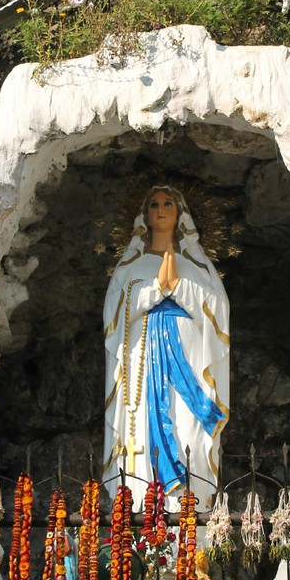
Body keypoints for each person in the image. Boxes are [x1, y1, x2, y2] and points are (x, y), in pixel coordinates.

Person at [103, 186, 230, 509]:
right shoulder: (130, 267)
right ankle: (146, 512)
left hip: (188, 361)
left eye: (168, 203)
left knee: (187, 428)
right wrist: (156, 291)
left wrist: (180, 289)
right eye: (154, 204)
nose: (161, 209)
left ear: (181, 213)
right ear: (144, 215)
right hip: (142, 364)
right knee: (143, 430)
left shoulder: (198, 267)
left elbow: (218, 311)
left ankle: (189, 509)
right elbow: (113, 314)